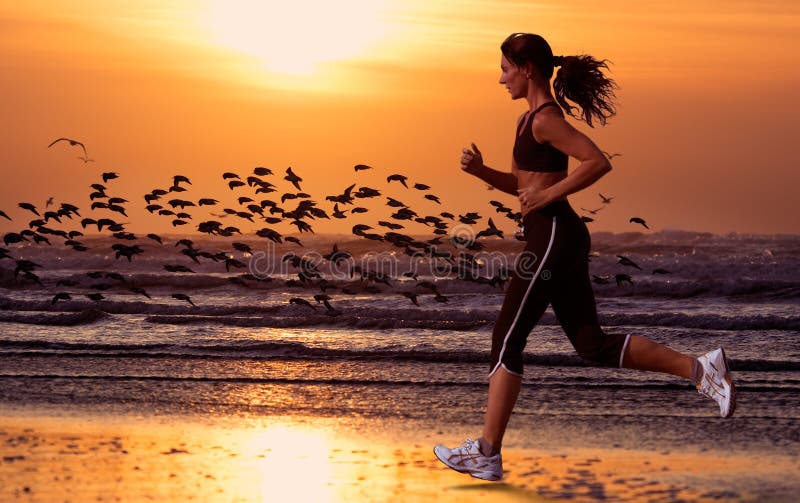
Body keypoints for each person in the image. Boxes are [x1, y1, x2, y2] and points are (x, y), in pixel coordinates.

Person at [433, 33, 736, 482]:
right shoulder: (525, 121)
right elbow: (523, 187)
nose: (500, 79)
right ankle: (701, 369)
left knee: (506, 339)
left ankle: (487, 452)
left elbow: (597, 161)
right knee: (591, 345)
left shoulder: (546, 120)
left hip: (553, 237)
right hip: (558, 236)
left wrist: (550, 193)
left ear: (527, 69)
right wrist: (482, 172)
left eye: (505, 69)